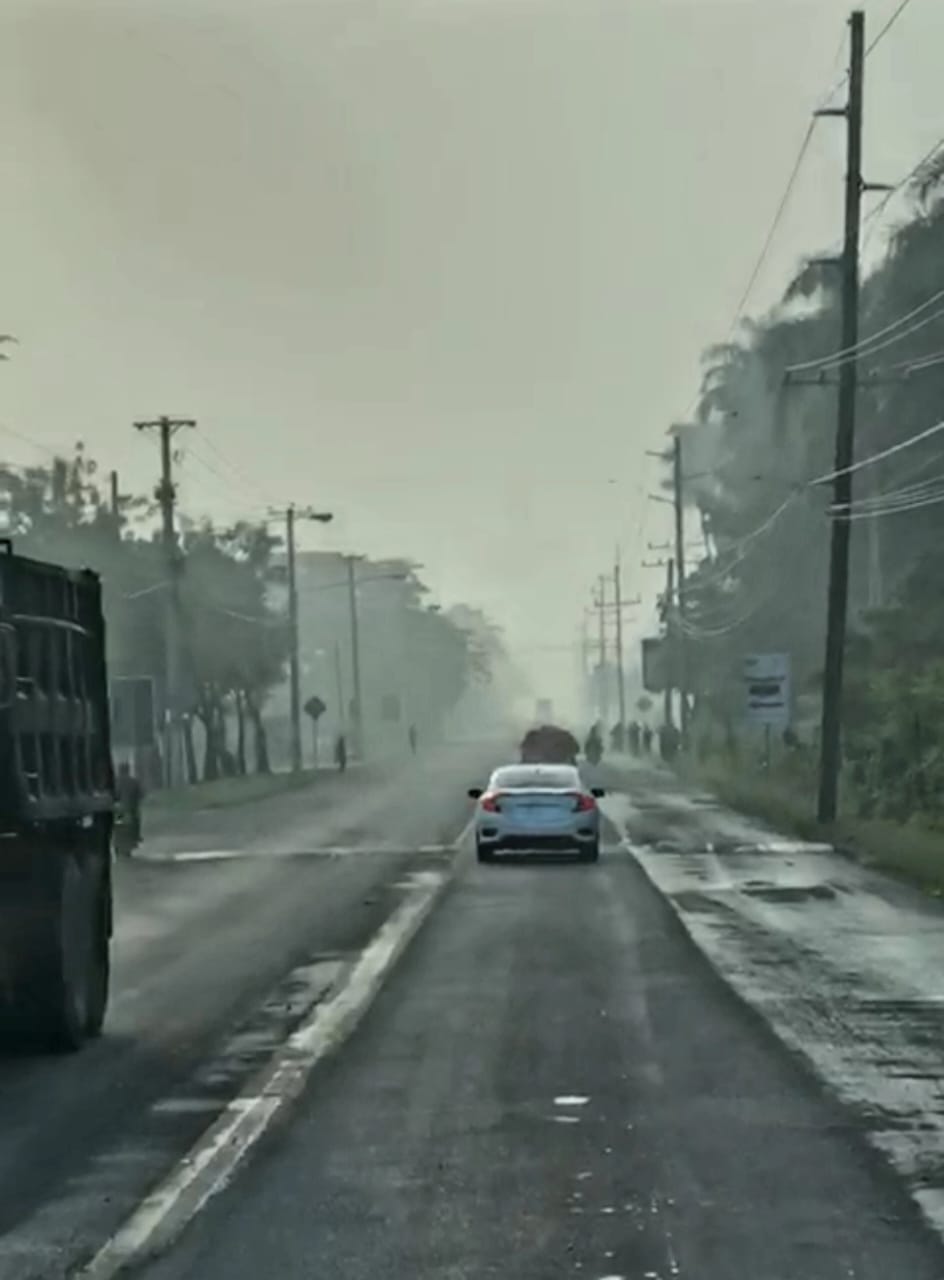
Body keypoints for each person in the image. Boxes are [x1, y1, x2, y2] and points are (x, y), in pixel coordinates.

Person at [115, 762, 143, 846]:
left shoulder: (116, 781)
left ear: (119, 771)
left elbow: (114, 795)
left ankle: (116, 839)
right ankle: (136, 836)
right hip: (132, 809)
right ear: (128, 770)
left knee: (117, 823)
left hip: (120, 810)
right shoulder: (134, 781)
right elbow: (140, 795)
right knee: (137, 820)